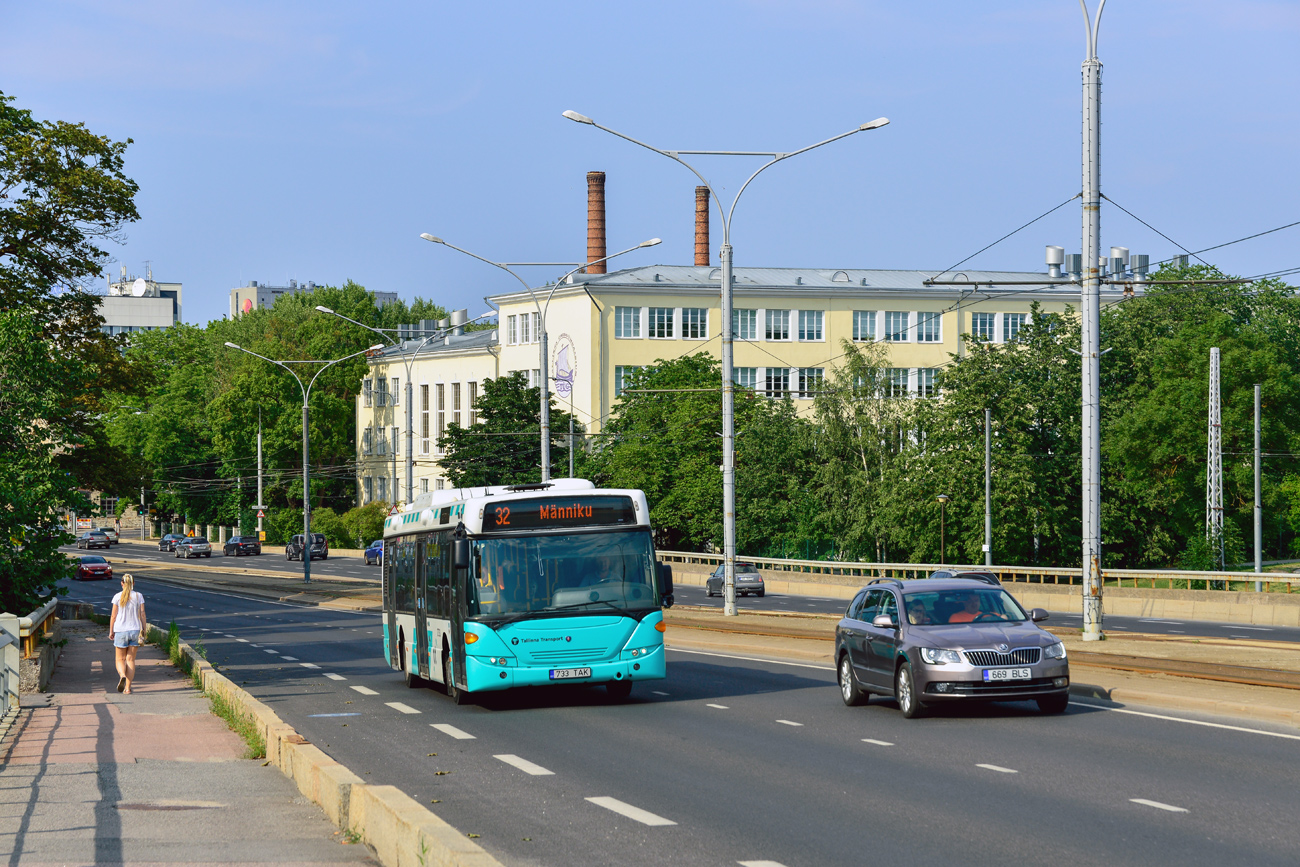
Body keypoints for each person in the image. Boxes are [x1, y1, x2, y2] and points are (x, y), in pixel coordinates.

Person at [109, 573, 147, 694]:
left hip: (120, 630)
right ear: (133, 584)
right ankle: (128, 688)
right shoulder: (138, 596)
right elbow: (142, 614)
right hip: (135, 630)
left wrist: (111, 631)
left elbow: (113, 616)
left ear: (122, 583)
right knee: (130, 660)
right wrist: (144, 630)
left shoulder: (117, 596)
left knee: (120, 659)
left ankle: (122, 676)